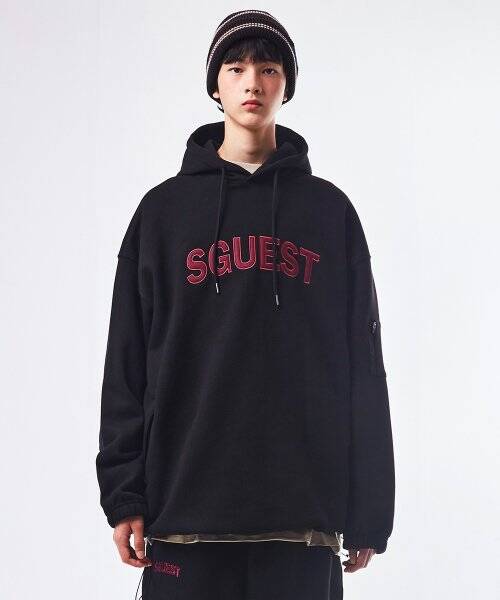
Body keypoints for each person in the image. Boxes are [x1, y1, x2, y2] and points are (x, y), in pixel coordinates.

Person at [96, 9, 395, 600]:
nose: (252, 82)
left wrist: (368, 507)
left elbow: (363, 366)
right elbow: (126, 364)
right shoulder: (162, 215)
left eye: (268, 69)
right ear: (215, 85)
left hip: (301, 522)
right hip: (183, 517)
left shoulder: (329, 214)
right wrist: (124, 494)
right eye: (235, 69)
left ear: (287, 84)